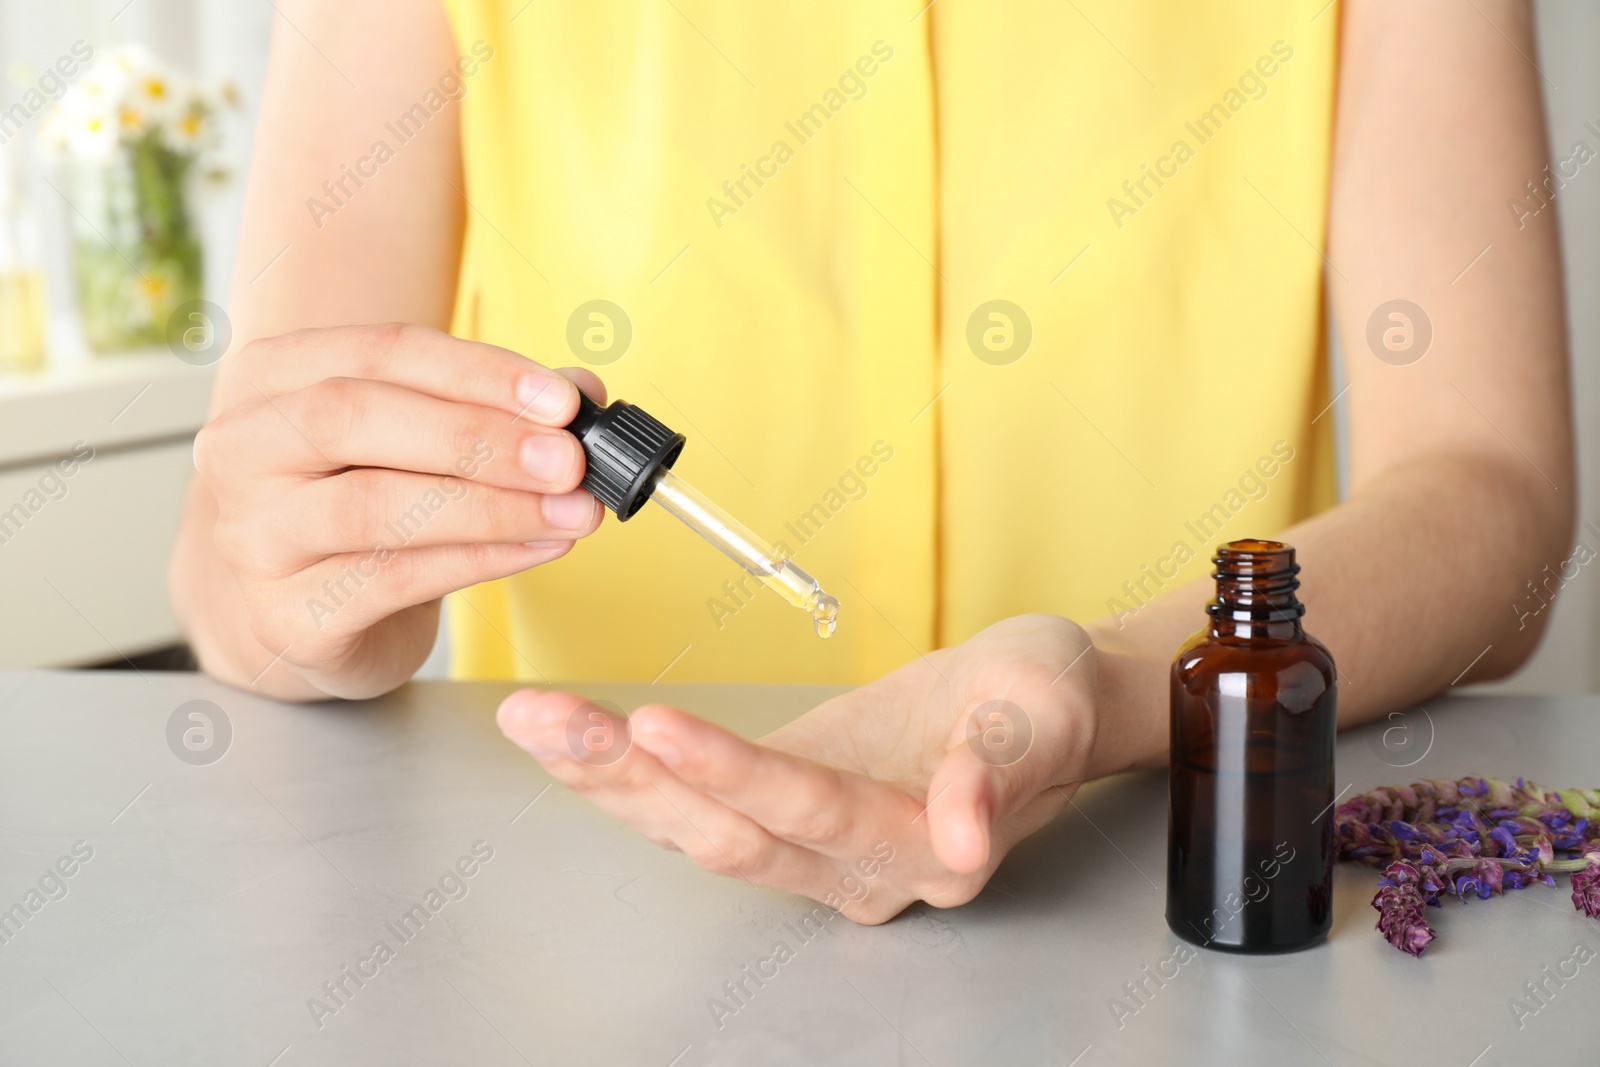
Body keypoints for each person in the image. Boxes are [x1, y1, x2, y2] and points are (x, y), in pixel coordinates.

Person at [172, 0, 1573, 922]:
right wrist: (289, 598)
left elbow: (1494, 502)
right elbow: (260, 536)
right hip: (562, 923)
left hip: (1151, 898)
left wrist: (1114, 687)